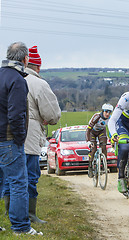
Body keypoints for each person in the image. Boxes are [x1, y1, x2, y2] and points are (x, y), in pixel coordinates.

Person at [3, 45, 61, 224]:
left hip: (4, 136)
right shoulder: (39, 83)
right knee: (29, 178)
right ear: (36, 66)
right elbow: (53, 115)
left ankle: (9, 212)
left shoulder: (5, 76)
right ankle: (28, 215)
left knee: (8, 178)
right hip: (27, 136)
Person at [0, 42, 42, 235]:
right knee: (18, 183)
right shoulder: (17, 80)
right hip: (8, 140)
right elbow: (16, 114)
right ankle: (21, 227)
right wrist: (19, 138)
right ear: (25, 59)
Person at [86, 103, 113, 178]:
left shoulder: (110, 118)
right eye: (106, 111)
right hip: (92, 132)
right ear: (103, 111)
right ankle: (90, 167)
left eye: (109, 112)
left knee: (104, 147)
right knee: (93, 149)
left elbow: (111, 129)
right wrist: (88, 141)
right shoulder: (97, 117)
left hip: (101, 131)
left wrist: (112, 138)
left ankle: (104, 164)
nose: (107, 114)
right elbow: (88, 129)